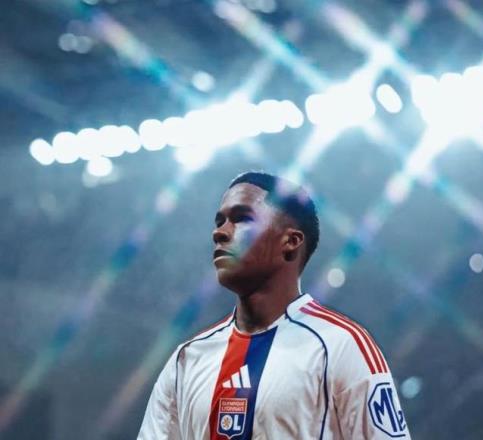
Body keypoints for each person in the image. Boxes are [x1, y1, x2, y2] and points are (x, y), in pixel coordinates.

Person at [138, 171, 410, 439]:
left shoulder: (341, 345)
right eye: (220, 221)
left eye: (242, 218)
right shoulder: (188, 358)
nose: (219, 232)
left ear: (290, 242)